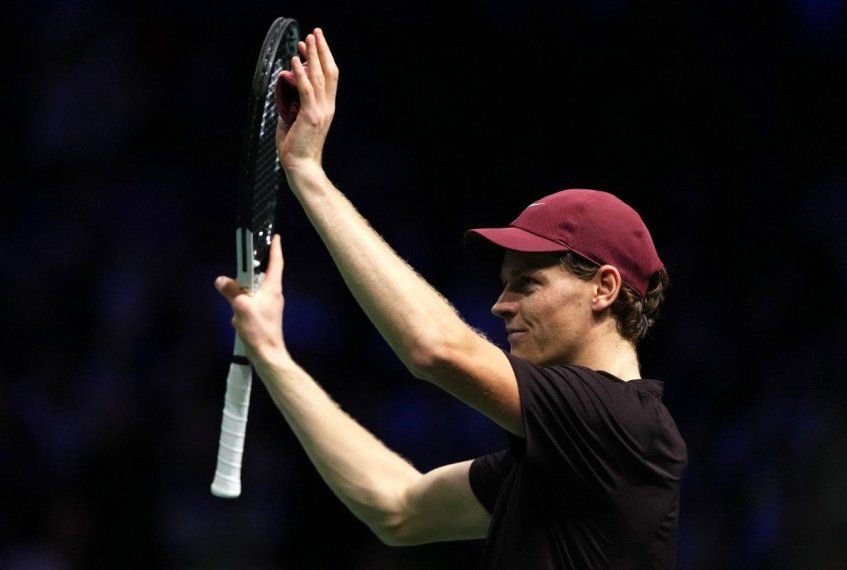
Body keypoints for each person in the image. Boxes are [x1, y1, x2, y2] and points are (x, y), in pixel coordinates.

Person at [215, 28, 687, 569]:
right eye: (504, 285)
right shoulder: (560, 460)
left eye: (527, 283)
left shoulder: (627, 426)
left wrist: (308, 173)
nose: (500, 305)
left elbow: (437, 347)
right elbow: (397, 508)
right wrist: (274, 355)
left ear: (604, 288)